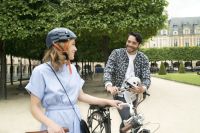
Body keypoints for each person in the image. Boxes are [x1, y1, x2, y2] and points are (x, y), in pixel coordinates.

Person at [25, 27, 122, 133]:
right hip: (55, 124)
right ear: (60, 46)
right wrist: (51, 124)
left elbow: (81, 95)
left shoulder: (72, 69)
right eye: (73, 44)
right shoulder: (40, 71)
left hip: (75, 120)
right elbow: (34, 107)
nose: (75, 49)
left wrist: (108, 101)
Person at [103, 32, 151, 132]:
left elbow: (147, 78)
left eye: (133, 43)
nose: (130, 44)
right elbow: (108, 70)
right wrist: (109, 85)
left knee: (130, 120)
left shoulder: (143, 58)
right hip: (119, 92)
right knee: (130, 121)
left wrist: (142, 88)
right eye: (129, 41)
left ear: (138, 45)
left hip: (134, 94)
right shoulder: (116, 53)